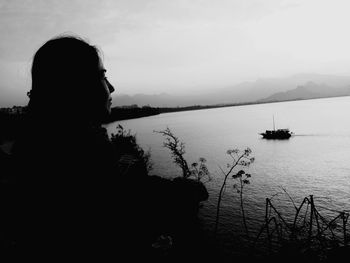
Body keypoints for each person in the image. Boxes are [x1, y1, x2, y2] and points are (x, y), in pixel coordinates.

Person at [6, 35, 134, 259]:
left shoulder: (35, 145)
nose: (111, 87)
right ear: (76, 85)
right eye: (102, 76)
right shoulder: (83, 154)